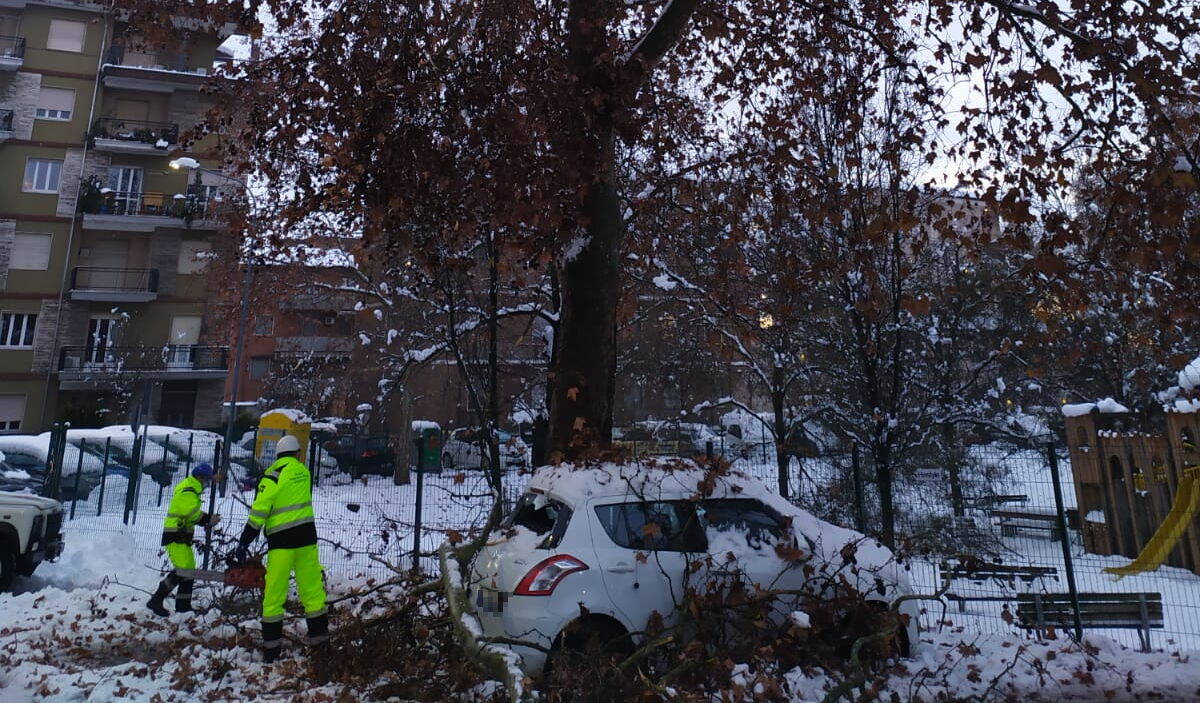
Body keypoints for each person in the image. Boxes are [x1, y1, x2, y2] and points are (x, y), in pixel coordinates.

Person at [235, 434, 328, 662]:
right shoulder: (303, 473)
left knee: (274, 596)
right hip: (306, 541)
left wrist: (245, 540)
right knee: (313, 593)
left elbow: (259, 511)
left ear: (277, 455)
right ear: (297, 453)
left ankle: (272, 651)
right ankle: (321, 647)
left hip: (282, 543)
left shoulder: (272, 476)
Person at [148, 463, 220, 616]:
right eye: (206, 480)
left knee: (189, 571)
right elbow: (191, 513)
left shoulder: (190, 488)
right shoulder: (188, 491)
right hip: (175, 535)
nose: (207, 484)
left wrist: (216, 477)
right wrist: (208, 519)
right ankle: (156, 600)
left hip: (180, 536)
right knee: (183, 570)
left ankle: (183, 606)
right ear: (200, 478)